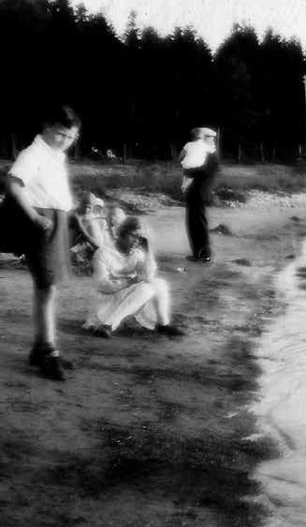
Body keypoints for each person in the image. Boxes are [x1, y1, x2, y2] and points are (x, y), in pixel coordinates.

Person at [4, 104, 81, 380]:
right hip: (41, 223)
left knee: (48, 288)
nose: (66, 142)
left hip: (55, 220)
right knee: (46, 286)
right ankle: (48, 351)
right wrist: (34, 216)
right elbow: (13, 183)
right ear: (47, 127)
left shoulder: (54, 154)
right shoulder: (34, 152)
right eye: (61, 134)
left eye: (71, 138)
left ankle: (41, 347)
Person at [83, 216, 185, 338]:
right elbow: (102, 286)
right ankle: (107, 324)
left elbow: (149, 277)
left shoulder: (137, 253)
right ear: (122, 234)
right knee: (146, 289)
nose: (137, 241)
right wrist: (130, 281)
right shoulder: (103, 253)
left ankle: (162, 324)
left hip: (130, 299)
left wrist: (148, 252)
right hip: (106, 302)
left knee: (159, 283)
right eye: (134, 236)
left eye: (140, 237)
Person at [183, 126, 219, 262]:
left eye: (208, 139)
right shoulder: (205, 154)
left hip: (199, 194)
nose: (207, 141)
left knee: (198, 224)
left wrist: (188, 171)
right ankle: (198, 253)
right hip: (195, 194)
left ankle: (204, 254)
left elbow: (202, 171)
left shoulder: (211, 156)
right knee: (193, 223)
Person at [68, 192, 110, 275]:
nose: (86, 210)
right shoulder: (73, 215)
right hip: (69, 245)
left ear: (93, 207)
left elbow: (96, 242)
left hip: (83, 243)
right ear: (79, 203)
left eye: (89, 207)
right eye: (84, 207)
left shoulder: (90, 216)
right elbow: (84, 235)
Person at [178, 127, 216, 194]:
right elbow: (213, 152)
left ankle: (185, 189)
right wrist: (212, 143)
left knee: (187, 178)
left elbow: (181, 155)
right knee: (201, 179)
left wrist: (179, 161)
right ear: (202, 137)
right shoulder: (205, 146)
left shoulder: (188, 144)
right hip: (198, 169)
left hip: (186, 168)